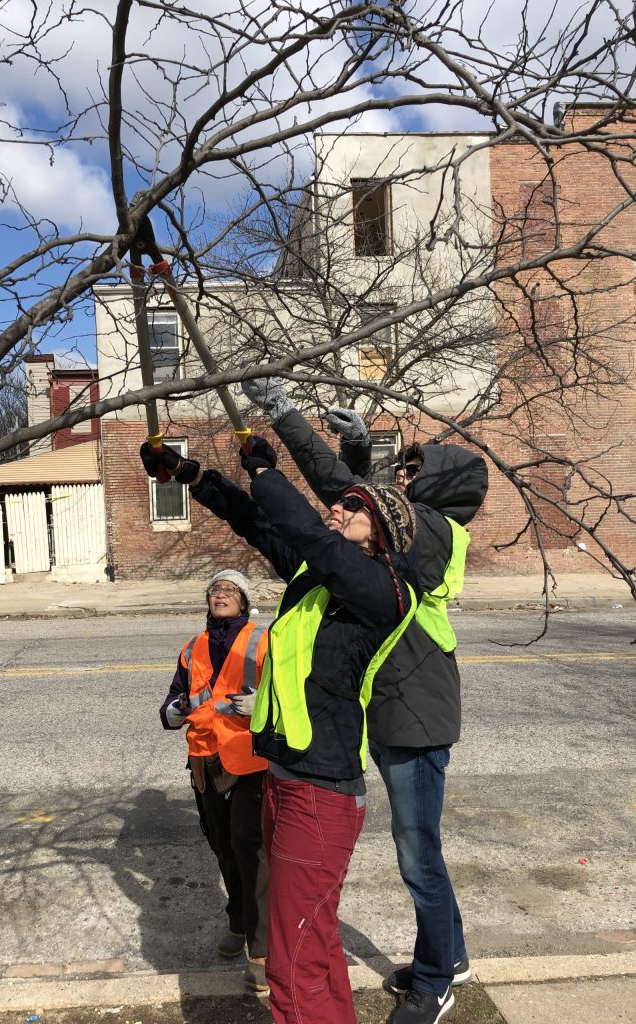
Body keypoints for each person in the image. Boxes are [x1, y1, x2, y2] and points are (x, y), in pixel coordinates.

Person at [142, 436, 421, 1024]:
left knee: (290, 958)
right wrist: (194, 475)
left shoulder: (386, 592)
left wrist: (267, 470)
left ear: (383, 531)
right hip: (285, 776)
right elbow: (258, 525)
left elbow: (307, 533)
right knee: (311, 941)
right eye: (337, 503)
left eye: (352, 506)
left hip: (322, 793)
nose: (336, 509)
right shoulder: (317, 581)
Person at [241, 377, 488, 1024]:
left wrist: (288, 418)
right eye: (397, 467)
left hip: (413, 708)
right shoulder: (410, 521)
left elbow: (349, 512)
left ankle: (438, 978)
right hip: (370, 708)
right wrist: (355, 457)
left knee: (416, 851)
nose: (397, 476)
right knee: (396, 857)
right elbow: (353, 506)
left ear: (440, 490)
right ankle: (450, 955)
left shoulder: (435, 530)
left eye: (410, 471)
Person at [159, 568, 269, 991]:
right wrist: (173, 709)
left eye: (229, 590)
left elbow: (290, 691)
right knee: (223, 848)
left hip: (250, 760)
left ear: (243, 599)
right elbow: (172, 700)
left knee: (252, 851)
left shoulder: (263, 641)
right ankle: (238, 923)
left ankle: (262, 950)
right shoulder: (193, 647)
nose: (221, 595)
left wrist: (263, 704)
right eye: (215, 590)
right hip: (205, 760)